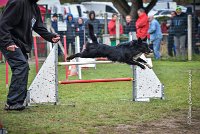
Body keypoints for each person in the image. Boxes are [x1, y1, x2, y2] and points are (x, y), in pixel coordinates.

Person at [0, 0, 60, 111]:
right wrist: (8, 42)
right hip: (8, 40)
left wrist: (50, 36)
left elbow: (38, 26)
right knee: (21, 65)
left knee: (23, 67)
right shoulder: (17, 2)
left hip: (20, 43)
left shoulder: (34, 7)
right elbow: (3, 24)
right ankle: (12, 103)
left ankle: (18, 102)